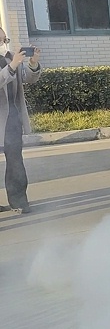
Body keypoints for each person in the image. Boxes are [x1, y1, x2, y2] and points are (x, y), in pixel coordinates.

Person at [0, 27, 42, 213]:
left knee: (15, 161)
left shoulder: (10, 58)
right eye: (1, 41)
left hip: (11, 119)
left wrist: (33, 63)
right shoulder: (11, 62)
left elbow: (28, 78)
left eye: (5, 40)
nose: (3, 44)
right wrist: (11, 66)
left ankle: (19, 202)